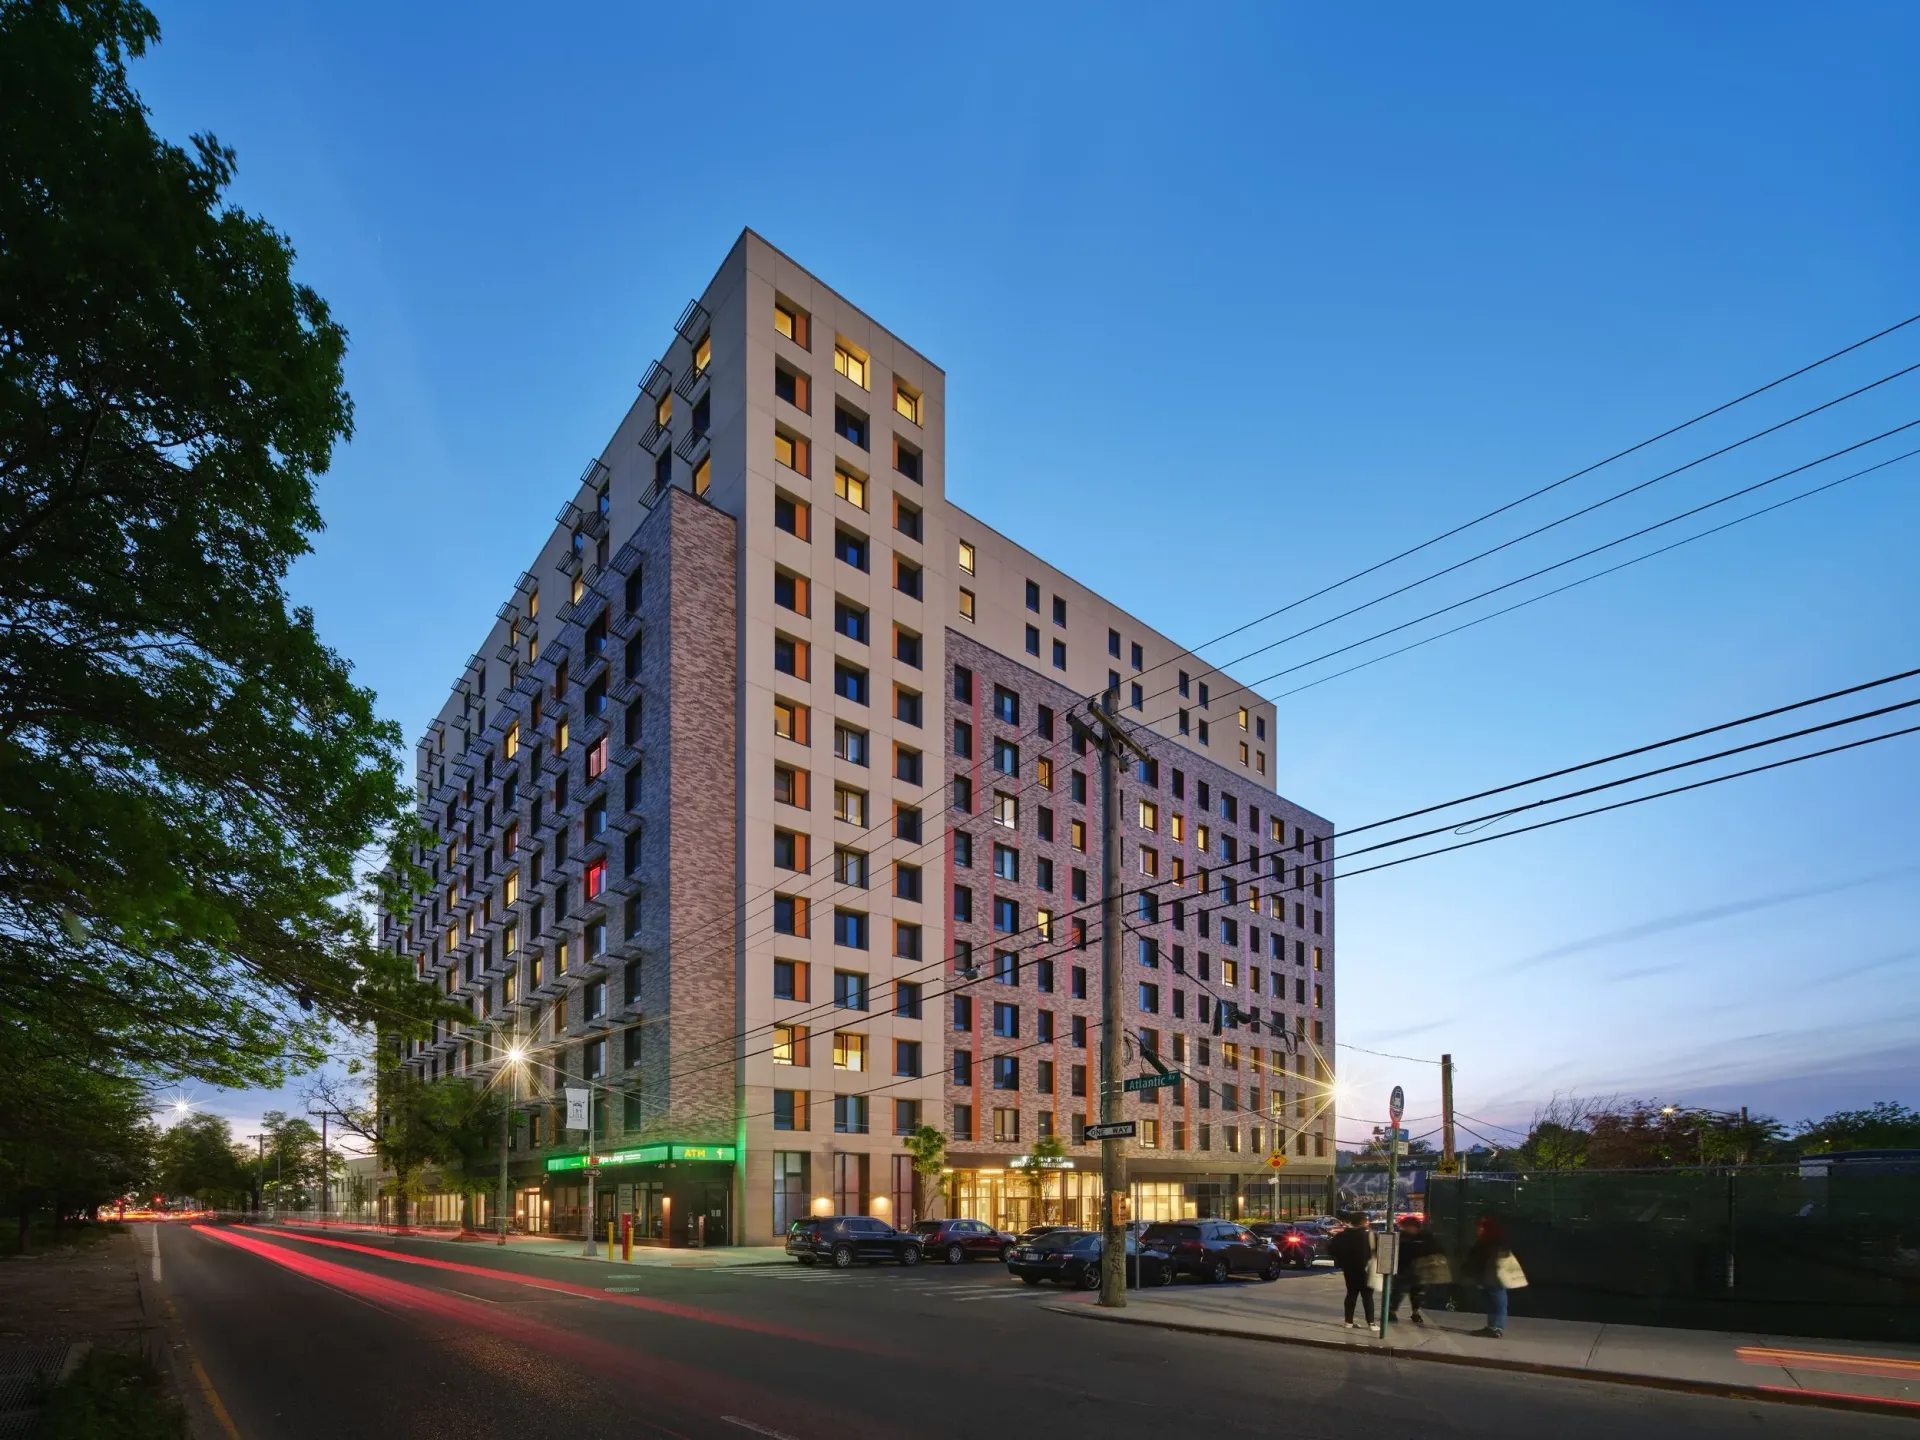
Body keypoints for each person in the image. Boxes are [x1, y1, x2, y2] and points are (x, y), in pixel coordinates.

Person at [1466, 1214, 1524, 1338]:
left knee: (1498, 1302)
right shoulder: (1495, 1241)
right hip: (1494, 1277)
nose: (1478, 1230)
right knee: (1494, 1302)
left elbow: (1484, 1260)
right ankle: (1493, 1326)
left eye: (1480, 1228)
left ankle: (1496, 1327)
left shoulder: (1490, 1242)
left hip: (1495, 1277)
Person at [1326, 1213, 1376, 1330]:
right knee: (1367, 1296)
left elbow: (1331, 1250)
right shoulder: (1370, 1235)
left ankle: (1348, 1322)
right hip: (1366, 1269)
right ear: (1365, 1222)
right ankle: (1371, 1323)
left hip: (1349, 1269)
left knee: (1351, 1294)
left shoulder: (1342, 1235)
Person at [1391, 1215, 1443, 1326]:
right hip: (1403, 1268)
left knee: (1418, 1293)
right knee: (1398, 1292)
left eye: (1406, 1227)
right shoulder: (1402, 1236)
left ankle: (1415, 1312)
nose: (1405, 1229)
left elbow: (1435, 1249)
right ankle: (1392, 1311)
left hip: (1420, 1269)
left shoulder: (1426, 1237)